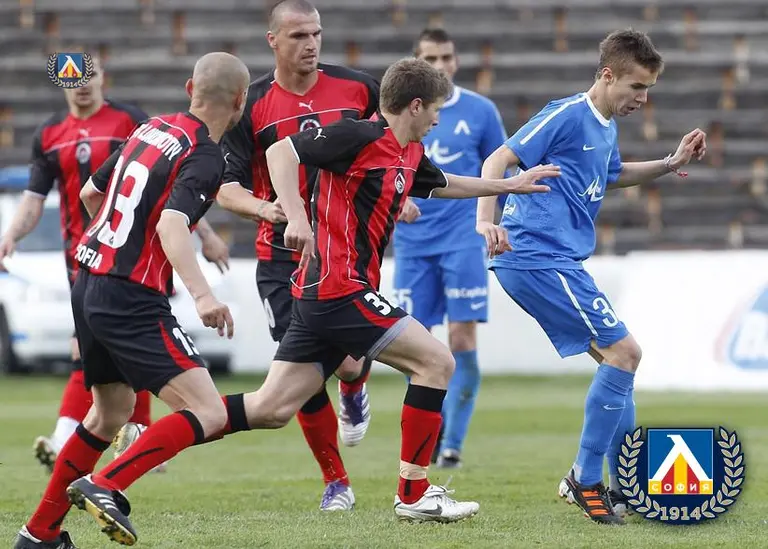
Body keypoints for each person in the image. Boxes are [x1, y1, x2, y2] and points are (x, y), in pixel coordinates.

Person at [94, 57, 560, 533]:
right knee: (436, 362)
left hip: (323, 295)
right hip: (339, 289)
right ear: (416, 105)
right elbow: (281, 153)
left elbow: (443, 184)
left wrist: (509, 184)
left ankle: (109, 479)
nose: (438, 119)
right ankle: (414, 493)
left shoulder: (408, 152)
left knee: (269, 409)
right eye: (436, 109)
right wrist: (296, 216)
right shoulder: (358, 135)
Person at [13, 51, 249, 549]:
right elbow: (171, 225)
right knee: (209, 412)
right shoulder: (206, 155)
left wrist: (119, 241)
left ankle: (38, 535)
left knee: (108, 414)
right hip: (130, 294)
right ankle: (106, 484)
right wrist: (203, 295)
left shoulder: (150, 128)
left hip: (89, 280)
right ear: (240, 101)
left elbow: (90, 195)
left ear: (190, 89)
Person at [476, 29, 707, 525]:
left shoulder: (605, 128)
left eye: (648, 90)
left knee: (618, 366)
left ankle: (624, 488)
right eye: (636, 87)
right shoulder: (567, 114)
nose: (642, 99)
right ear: (607, 75)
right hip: (535, 254)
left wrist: (671, 163)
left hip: (556, 259)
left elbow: (614, 174)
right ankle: (583, 479)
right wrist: (484, 221)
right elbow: (498, 159)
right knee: (626, 353)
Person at [217, 0, 380, 510]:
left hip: (344, 252)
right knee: (300, 376)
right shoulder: (252, 105)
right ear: (273, 41)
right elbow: (225, 186)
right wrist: (268, 210)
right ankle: (337, 482)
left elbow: (389, 148)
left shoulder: (358, 89)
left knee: (348, 366)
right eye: (298, 36)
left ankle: (354, 384)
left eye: (316, 34)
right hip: (282, 258)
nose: (311, 44)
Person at [392, 28, 508, 469]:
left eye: (446, 57)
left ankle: (452, 445)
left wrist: (493, 224)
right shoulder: (400, 112)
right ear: (416, 62)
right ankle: (430, 433)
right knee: (415, 345)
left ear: (456, 61)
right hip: (412, 244)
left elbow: (499, 168)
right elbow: (380, 166)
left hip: (462, 239)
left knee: (461, 338)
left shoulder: (480, 111)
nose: (440, 66)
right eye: (431, 59)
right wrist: (396, 202)